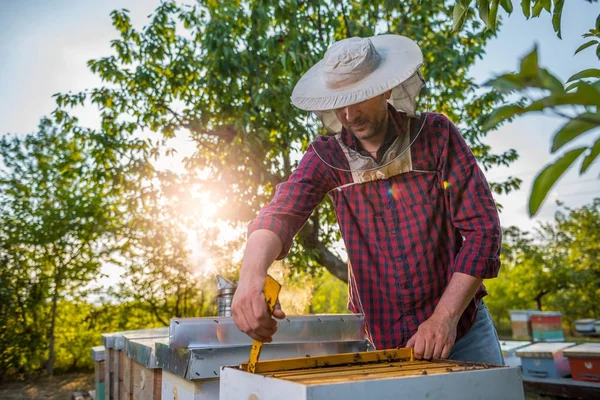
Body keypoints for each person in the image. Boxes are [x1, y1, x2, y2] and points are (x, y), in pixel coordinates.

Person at [231, 35, 504, 364]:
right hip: (382, 342)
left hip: (462, 332)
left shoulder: (436, 136)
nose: (348, 114)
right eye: (339, 102)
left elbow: (482, 231)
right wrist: (250, 276)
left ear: (386, 88)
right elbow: (281, 213)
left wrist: (444, 318)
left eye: (358, 98)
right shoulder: (325, 156)